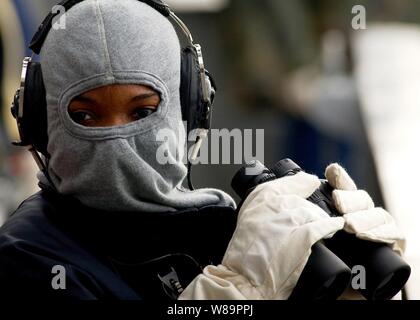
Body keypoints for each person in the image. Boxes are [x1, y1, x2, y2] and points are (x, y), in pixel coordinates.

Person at [0, 0, 405, 300]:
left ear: (190, 110)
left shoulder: (221, 229)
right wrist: (243, 288)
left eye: (143, 111)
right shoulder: (26, 259)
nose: (117, 141)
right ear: (41, 122)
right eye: (86, 117)